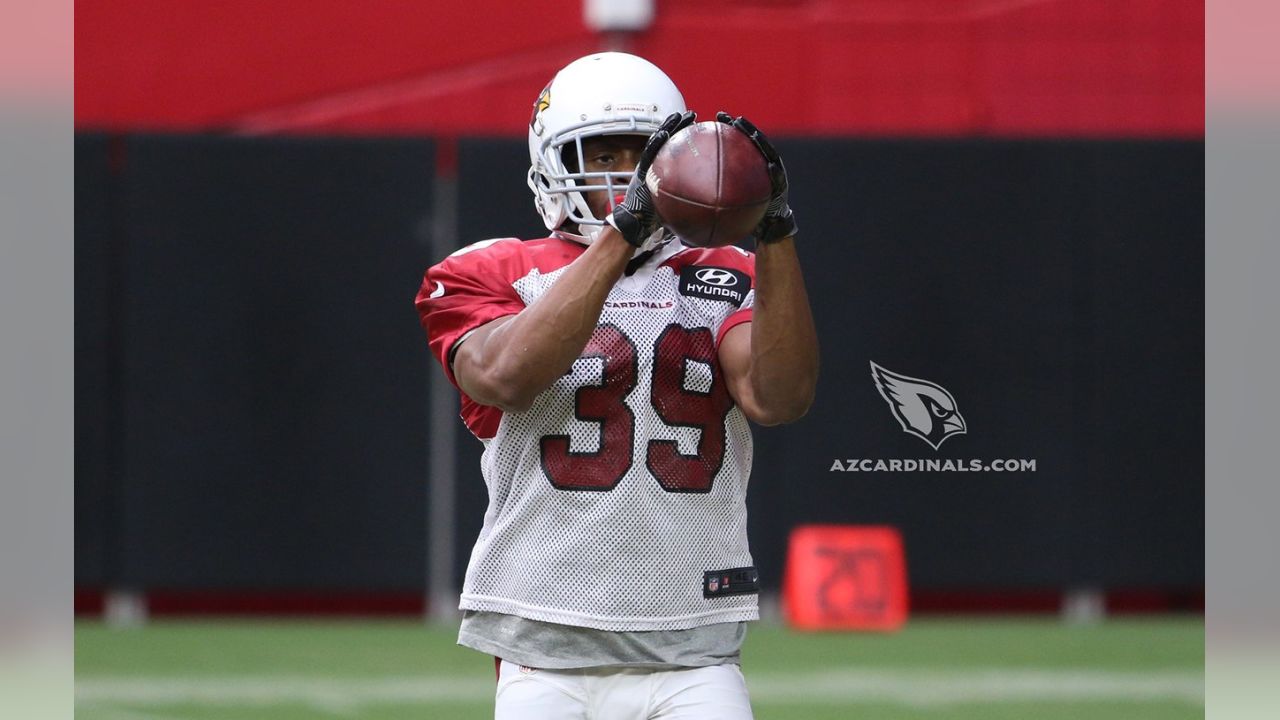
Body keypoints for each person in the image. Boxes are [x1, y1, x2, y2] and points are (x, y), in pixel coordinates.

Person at [415, 51, 818, 720]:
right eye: (601, 153)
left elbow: (780, 398)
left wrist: (775, 231)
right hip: (545, 638)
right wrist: (623, 234)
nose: (621, 176)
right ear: (552, 161)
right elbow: (505, 378)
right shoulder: (488, 270)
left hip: (694, 644)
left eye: (639, 155)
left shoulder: (729, 271)